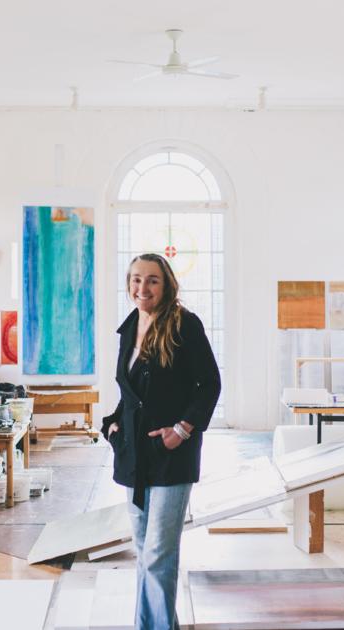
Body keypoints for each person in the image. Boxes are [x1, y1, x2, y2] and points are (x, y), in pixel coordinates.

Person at [101, 253, 221, 630]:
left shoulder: (184, 325)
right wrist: (114, 424)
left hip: (172, 454)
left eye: (152, 279)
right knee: (144, 553)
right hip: (134, 454)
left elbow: (210, 384)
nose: (143, 287)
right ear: (128, 283)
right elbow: (131, 392)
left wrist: (182, 430)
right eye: (136, 279)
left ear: (166, 284)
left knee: (158, 553)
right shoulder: (129, 327)